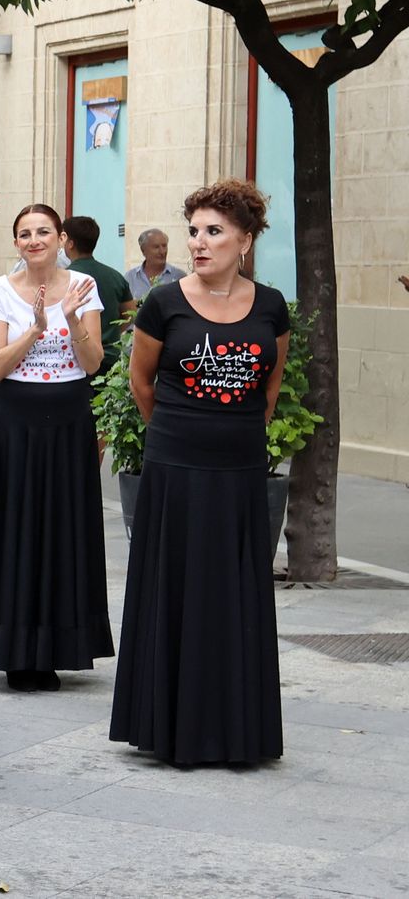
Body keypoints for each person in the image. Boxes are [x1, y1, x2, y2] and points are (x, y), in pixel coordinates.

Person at [111, 181, 289, 766]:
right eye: (195, 231)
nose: (199, 242)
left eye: (214, 232)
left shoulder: (270, 305)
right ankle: (167, 723)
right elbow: (142, 382)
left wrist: (233, 433)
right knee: (176, 586)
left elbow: (269, 388)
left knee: (233, 590)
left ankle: (236, 726)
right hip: (176, 465)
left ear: (245, 240)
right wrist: (181, 431)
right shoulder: (165, 303)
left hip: (238, 467)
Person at [0, 204, 112, 692]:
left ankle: (59, 645)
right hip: (16, 418)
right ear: (16, 242)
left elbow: (92, 364)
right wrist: (36, 330)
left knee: (63, 526)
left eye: (43, 231)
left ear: (61, 237)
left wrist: (73, 320)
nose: (33, 240)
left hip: (68, 414)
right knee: (15, 525)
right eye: (24, 233)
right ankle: (14, 648)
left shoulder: (82, 288)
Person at [62, 216, 133, 376]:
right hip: (110, 361)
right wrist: (112, 331)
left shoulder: (65, 279)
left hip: (78, 360)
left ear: (70, 243)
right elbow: (130, 314)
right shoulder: (115, 276)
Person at [124, 228, 188, 302]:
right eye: (156, 247)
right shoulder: (130, 277)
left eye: (164, 246)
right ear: (143, 250)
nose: (162, 251)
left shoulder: (179, 277)